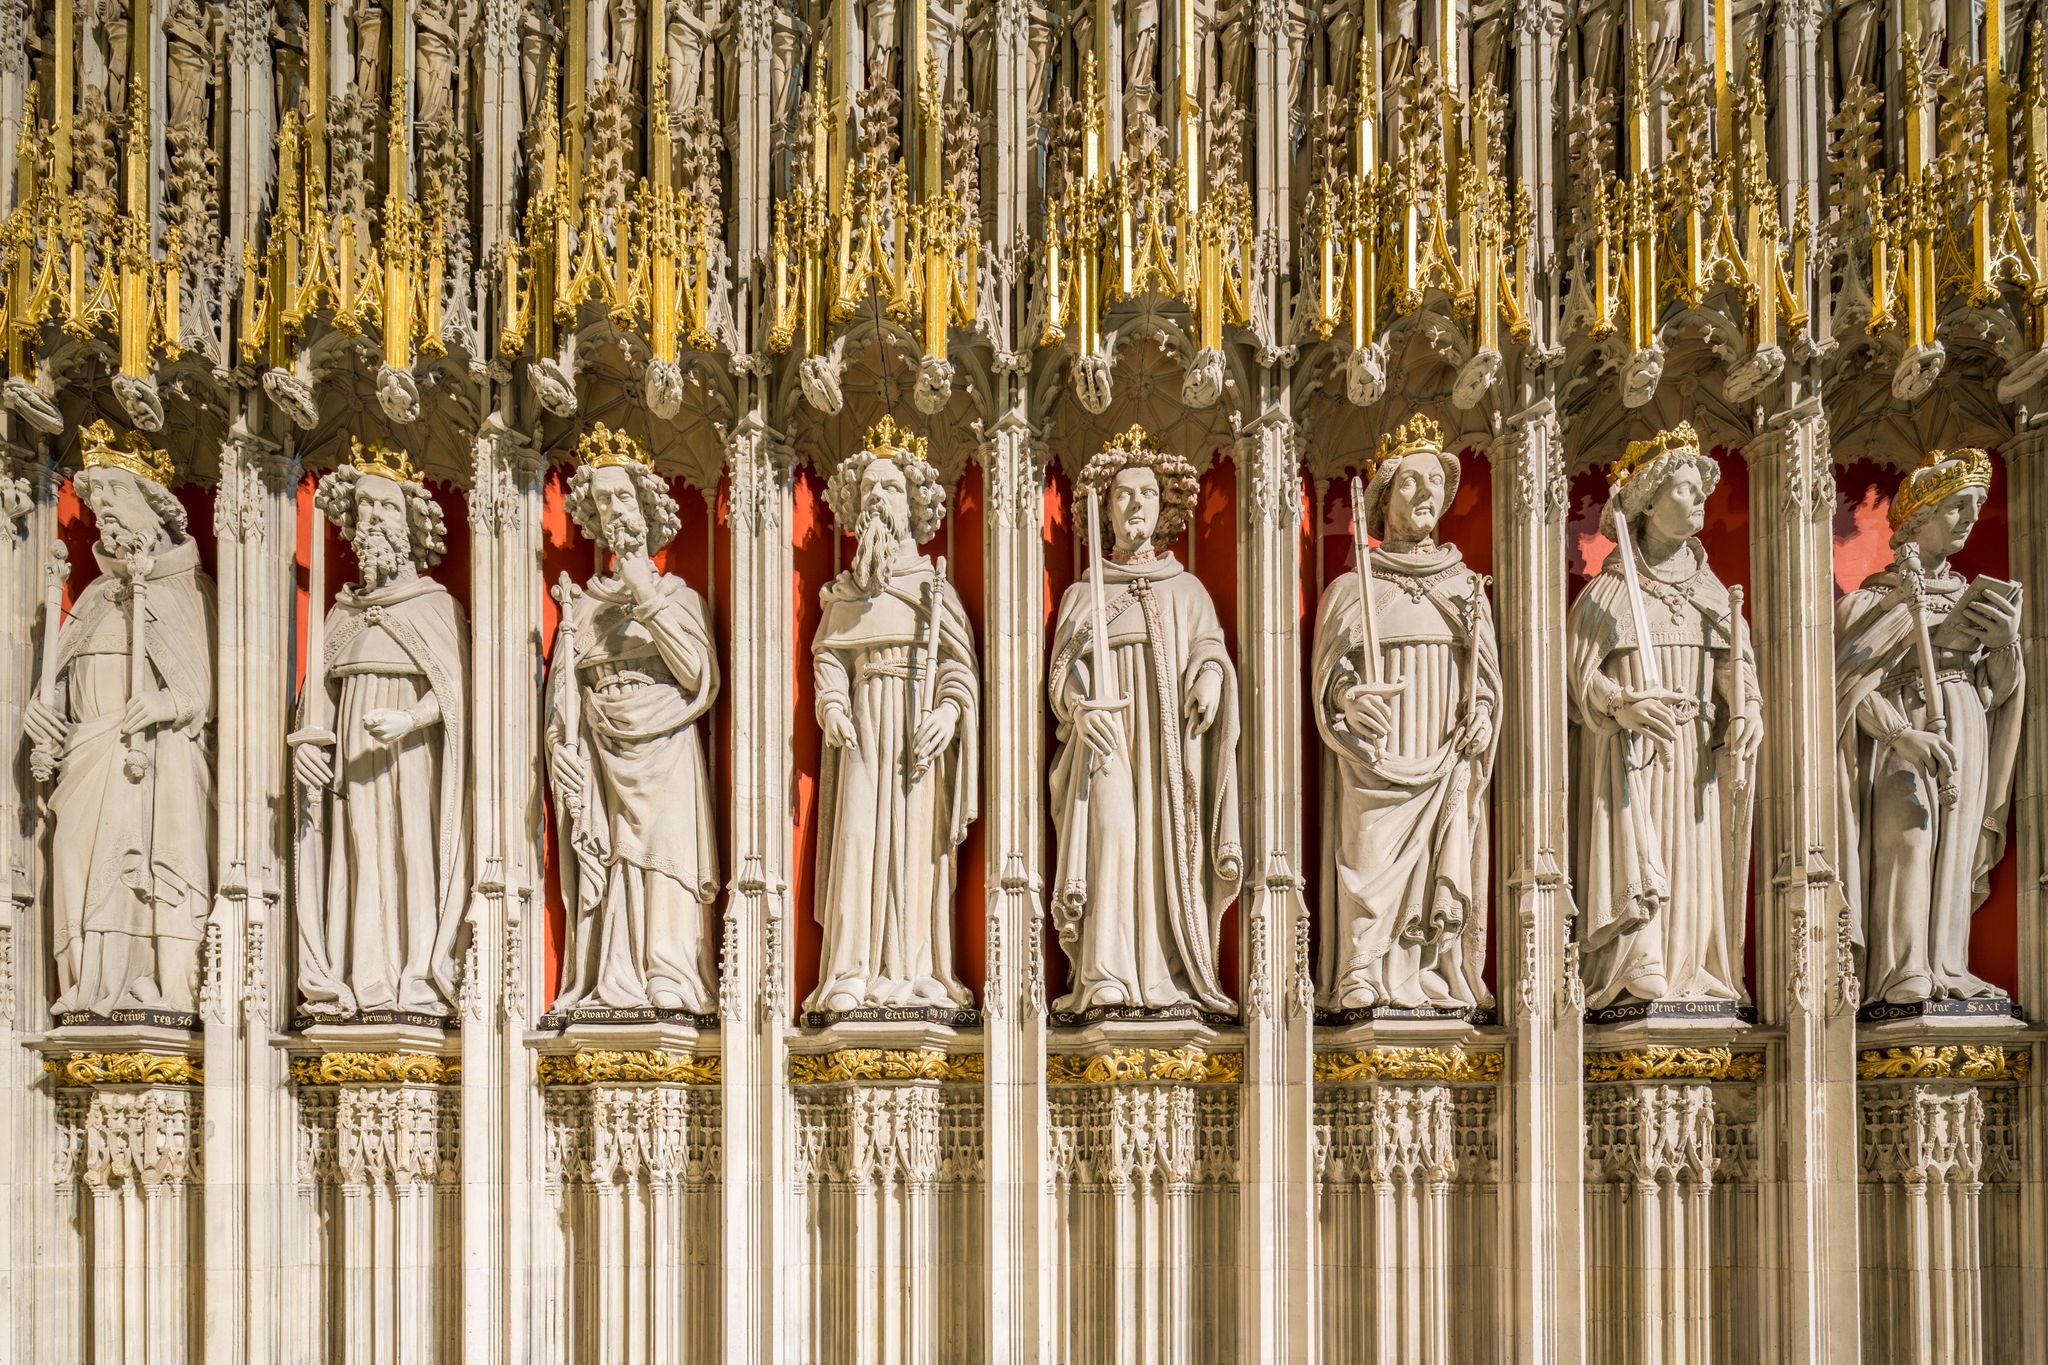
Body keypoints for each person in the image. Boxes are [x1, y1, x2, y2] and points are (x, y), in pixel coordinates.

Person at [1567, 422, 1761, 1009]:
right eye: (1683, 487)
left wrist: (1747, 710)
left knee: (1693, 855)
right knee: (1639, 841)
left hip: (1696, 753)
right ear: (1648, 501)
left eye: (1700, 488)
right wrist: (1622, 703)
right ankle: (1636, 955)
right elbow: (1578, 677)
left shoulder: (1713, 592)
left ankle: (1695, 963)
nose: (1699, 499)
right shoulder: (1607, 593)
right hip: (1632, 754)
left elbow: (1736, 670)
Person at [25, 423, 214, 1018]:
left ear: (152, 508)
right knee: (83, 871)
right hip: (90, 753)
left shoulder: (189, 589)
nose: (103, 513)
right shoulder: (92, 598)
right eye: (95, 503)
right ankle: (88, 988)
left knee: (152, 871)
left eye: (114, 497)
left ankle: (165, 985)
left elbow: (207, 691)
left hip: (157, 761)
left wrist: (167, 703)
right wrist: (42, 713)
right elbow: (59, 678)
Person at [1049, 425, 1241, 1013]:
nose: (1136, 505)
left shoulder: (1187, 590)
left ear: (1164, 510)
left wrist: (1210, 676)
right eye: (1125, 495)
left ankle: (1166, 976)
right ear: (1106, 510)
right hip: (1107, 742)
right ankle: (1105, 972)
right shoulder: (1085, 594)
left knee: (1165, 851)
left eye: (1148, 495)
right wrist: (1081, 706)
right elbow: (1061, 674)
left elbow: (1210, 647)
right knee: (1114, 833)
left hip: (1165, 745)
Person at [1312, 415, 1499, 1013]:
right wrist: (1347, 698)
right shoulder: (1350, 589)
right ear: (1383, 499)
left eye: (1433, 485)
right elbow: (1330, 680)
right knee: (1367, 858)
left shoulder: (1466, 588)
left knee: (1440, 867)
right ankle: (1361, 969)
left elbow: (1487, 682)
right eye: (1410, 483)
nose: (1425, 496)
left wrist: (1483, 717)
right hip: (1376, 755)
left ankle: (1432, 969)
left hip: (1442, 751)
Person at [1836, 447, 2025, 1005]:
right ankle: (1901, 969)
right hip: (1906, 726)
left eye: (1977, 508)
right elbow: (1847, 689)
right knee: (1910, 838)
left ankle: (1947, 961)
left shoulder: (1960, 594)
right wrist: (1899, 734)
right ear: (1919, 518)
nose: (1970, 520)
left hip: (1964, 718)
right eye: (1959, 507)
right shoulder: (1871, 601)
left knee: (1956, 844)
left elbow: (2000, 690)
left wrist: (2005, 644)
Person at [546, 425, 721, 1015]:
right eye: (601, 501)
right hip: (602, 740)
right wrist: (559, 749)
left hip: (666, 743)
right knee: (615, 855)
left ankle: (670, 972)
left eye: (623, 498)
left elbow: (698, 674)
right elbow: (562, 699)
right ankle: (615, 976)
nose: (613, 510)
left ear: (646, 506)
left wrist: (647, 594)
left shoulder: (679, 595)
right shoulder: (584, 605)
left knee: (664, 853)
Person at [807, 417, 979, 1014]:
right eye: (871, 489)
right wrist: (831, 701)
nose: (880, 498)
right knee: (857, 836)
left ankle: (916, 968)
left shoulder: (934, 589)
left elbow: (959, 667)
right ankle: (851, 969)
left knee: (914, 847)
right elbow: (828, 655)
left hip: (916, 729)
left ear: (911, 506)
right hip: (862, 725)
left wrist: (951, 713)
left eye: (891, 489)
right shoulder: (847, 594)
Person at [292, 441, 468, 1018]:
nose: (372, 520)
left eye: (386, 508)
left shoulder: (434, 606)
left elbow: (458, 698)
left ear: (410, 526)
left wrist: (410, 719)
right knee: (360, 858)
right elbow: (316, 700)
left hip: (414, 758)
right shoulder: (340, 613)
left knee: (411, 853)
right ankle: (363, 976)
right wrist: (308, 744)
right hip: (354, 763)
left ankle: (417, 977)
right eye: (364, 509)